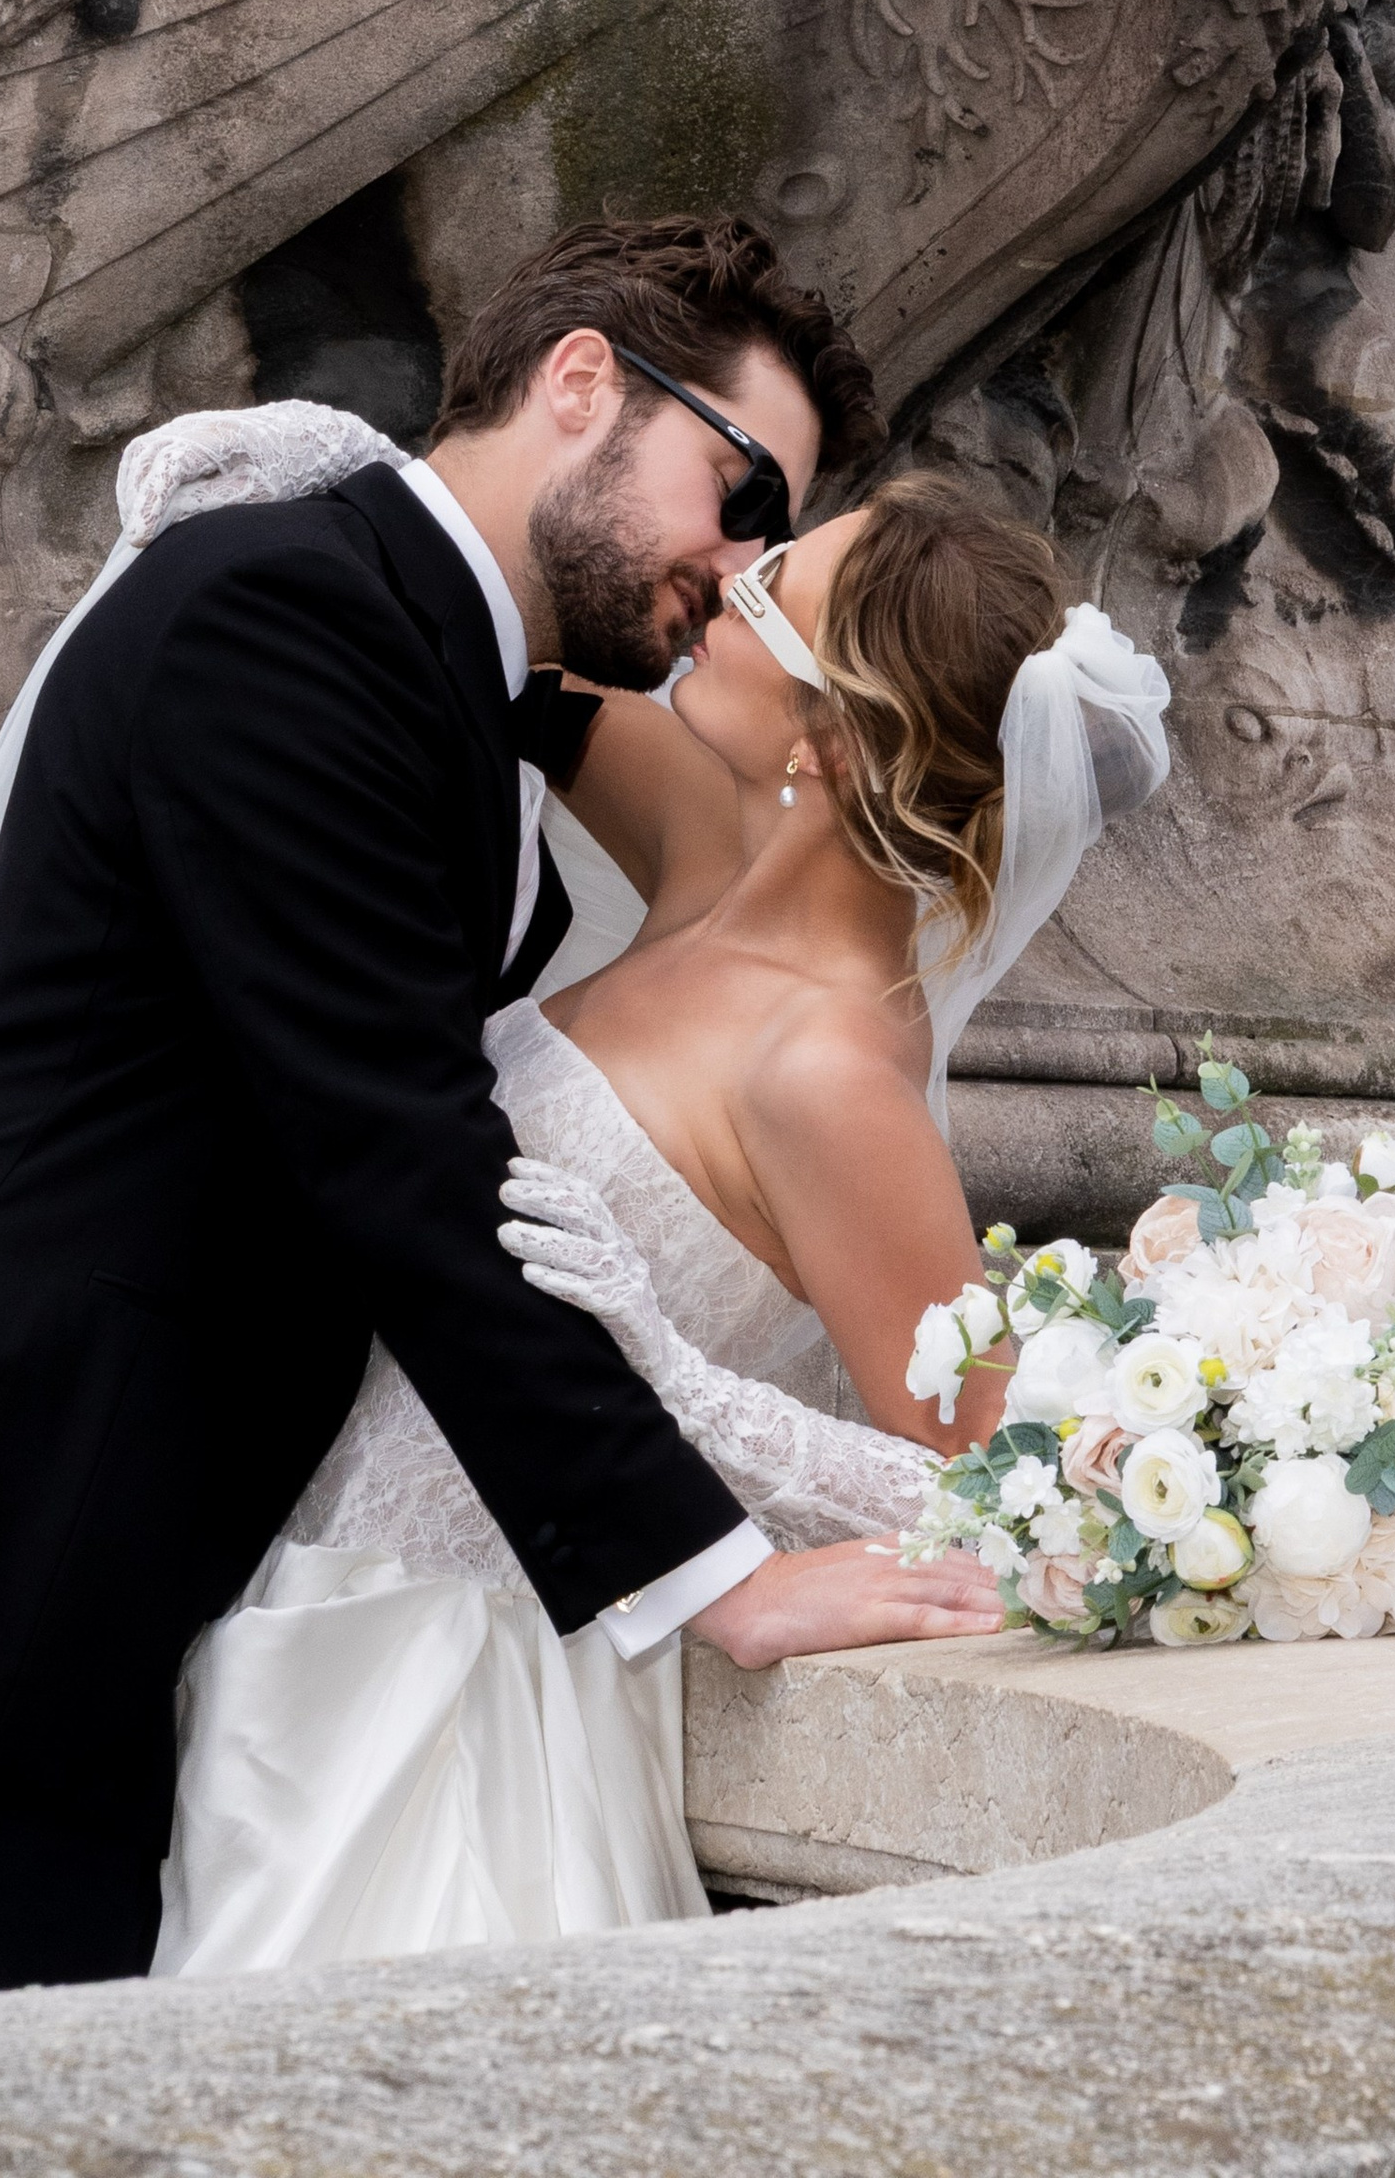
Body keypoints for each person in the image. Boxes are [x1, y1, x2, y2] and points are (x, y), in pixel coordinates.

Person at [0, 215, 1013, 2004]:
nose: (742, 560)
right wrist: (716, 1577)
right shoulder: (288, 609)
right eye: (742, 492)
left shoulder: (431, 640)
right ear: (584, 380)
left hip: (124, 1586)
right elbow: (398, 1144)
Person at [154, 462, 1166, 1969]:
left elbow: (1016, 1496)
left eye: (771, 590)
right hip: (281, 1604)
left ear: (834, 737)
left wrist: (683, 1388)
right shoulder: (705, 845)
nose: (726, 580)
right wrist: (306, 457)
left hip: (469, 1692)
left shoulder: (832, 1076)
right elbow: (476, 613)